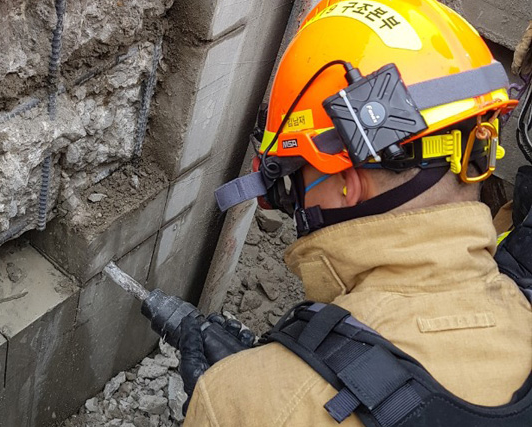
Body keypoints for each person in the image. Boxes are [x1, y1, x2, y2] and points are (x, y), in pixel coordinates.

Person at [181, 0, 532, 425]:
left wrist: (252, 392)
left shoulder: (240, 403)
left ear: (349, 183)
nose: (297, 204)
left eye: (294, 184)